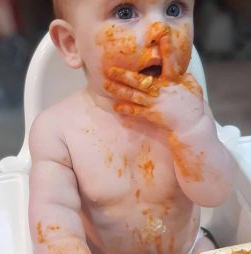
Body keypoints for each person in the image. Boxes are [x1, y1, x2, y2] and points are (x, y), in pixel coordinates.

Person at [28, 0, 237, 253]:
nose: (160, 30)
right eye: (125, 12)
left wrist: (191, 129)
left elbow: (214, 195)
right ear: (72, 44)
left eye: (173, 9)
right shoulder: (57, 130)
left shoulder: (190, 110)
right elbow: (54, 219)